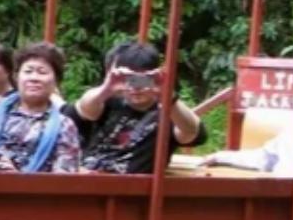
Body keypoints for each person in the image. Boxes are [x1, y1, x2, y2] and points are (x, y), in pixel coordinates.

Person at [67, 41, 205, 174]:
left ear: (155, 75)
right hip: (88, 180)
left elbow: (191, 131)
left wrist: (168, 96)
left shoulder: (171, 113)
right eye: (129, 78)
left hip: (134, 190)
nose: (136, 87)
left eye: (143, 78)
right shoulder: (107, 102)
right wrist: (107, 88)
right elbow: (83, 109)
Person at [0, 42, 80, 173]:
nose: (33, 78)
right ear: (16, 77)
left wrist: (16, 177)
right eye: (28, 71)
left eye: (42, 72)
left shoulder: (64, 126)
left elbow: (63, 182)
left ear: (56, 81)